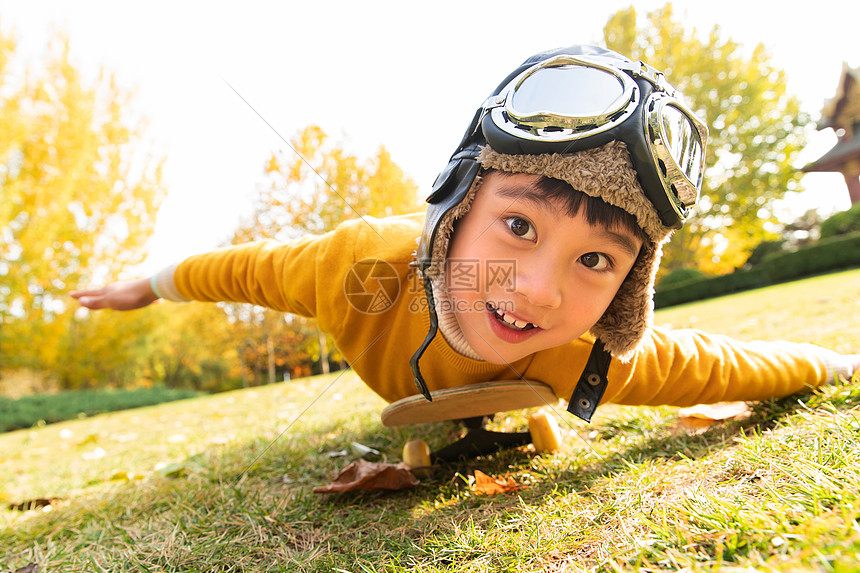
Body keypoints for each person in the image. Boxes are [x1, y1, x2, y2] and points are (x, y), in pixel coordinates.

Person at [72, 45, 858, 423]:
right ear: (453, 210)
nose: (541, 290)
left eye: (595, 261)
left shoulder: (585, 351)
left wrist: (834, 363)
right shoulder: (360, 266)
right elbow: (246, 269)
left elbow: (712, 363)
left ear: (628, 292)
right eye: (518, 224)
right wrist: (153, 279)